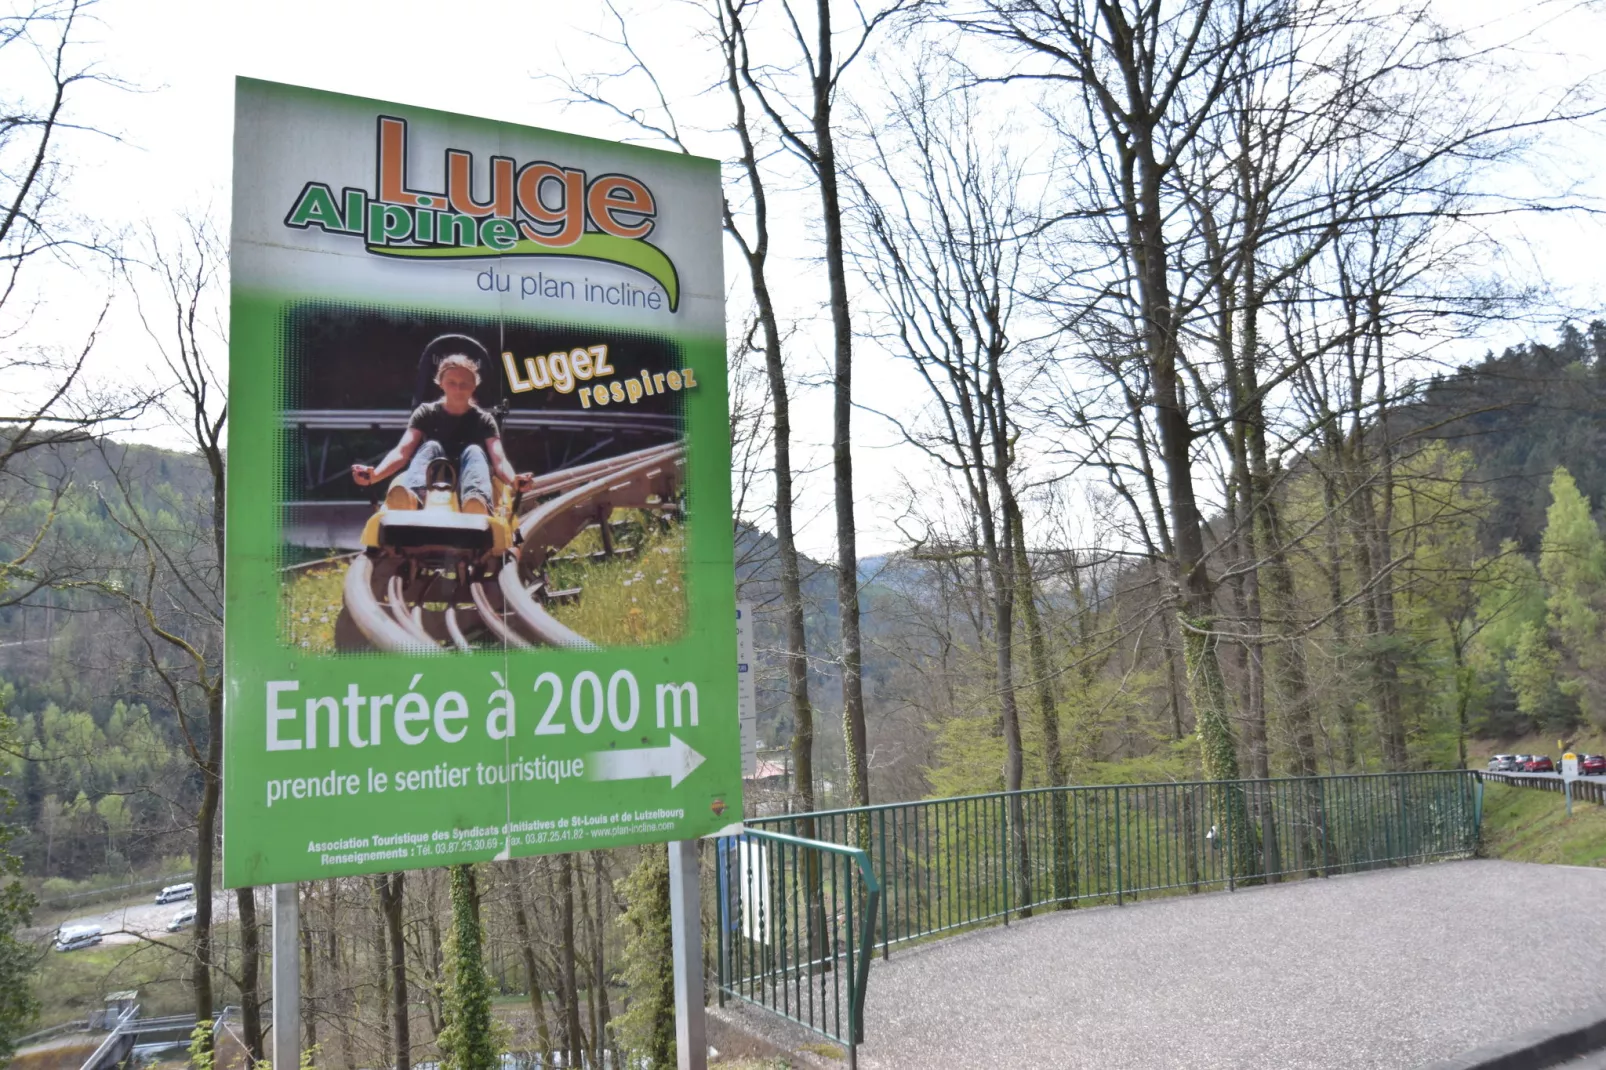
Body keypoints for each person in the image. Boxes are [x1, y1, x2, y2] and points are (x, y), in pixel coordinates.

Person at [353, 352, 533, 513]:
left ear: (474, 386)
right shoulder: (426, 412)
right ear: (441, 383)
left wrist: (513, 480)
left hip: (470, 474)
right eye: (452, 383)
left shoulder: (484, 419)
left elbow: (499, 460)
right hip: (432, 475)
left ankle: (476, 501)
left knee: (474, 451)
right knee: (431, 446)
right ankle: (413, 497)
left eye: (464, 384)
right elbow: (402, 452)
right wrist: (375, 475)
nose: (458, 389)